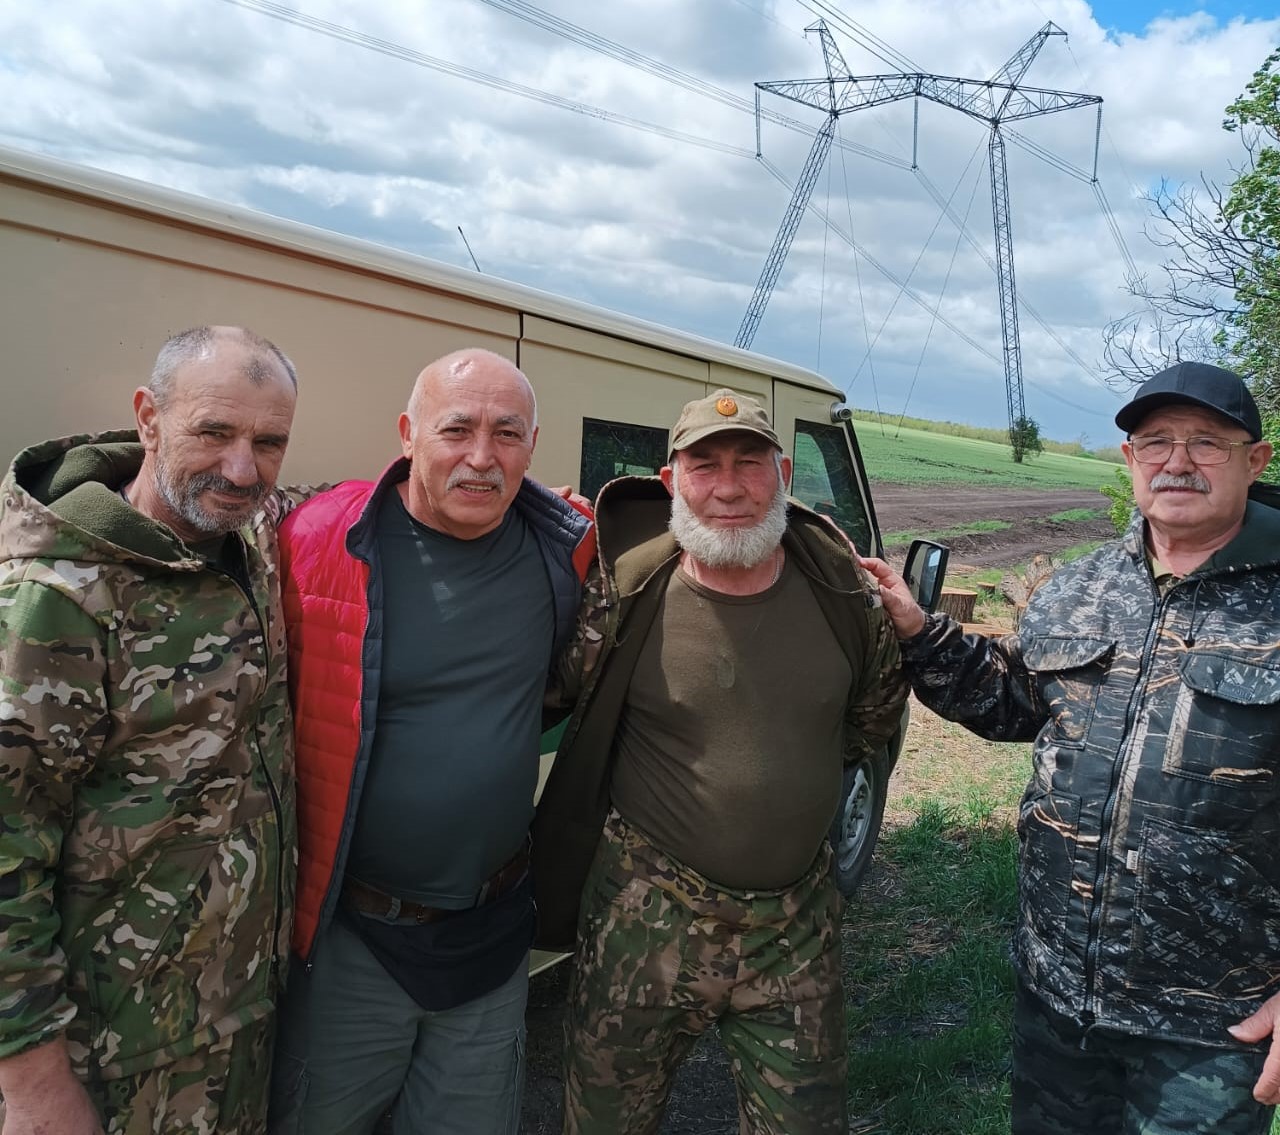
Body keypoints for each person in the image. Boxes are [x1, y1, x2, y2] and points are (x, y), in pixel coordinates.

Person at [859, 361, 1280, 1134]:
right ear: (1129, 459)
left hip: (1211, 1024)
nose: (1177, 461)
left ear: (1255, 460)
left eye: (1206, 442)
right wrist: (918, 629)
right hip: (1057, 1001)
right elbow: (1010, 697)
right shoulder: (1083, 586)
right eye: (1155, 441)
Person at [531, 388, 908, 1135]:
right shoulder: (624, 590)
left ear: (783, 474)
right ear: (671, 480)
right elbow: (546, 688)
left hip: (796, 928)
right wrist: (537, 543)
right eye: (704, 466)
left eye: (749, 464)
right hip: (644, 920)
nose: (729, 488)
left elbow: (873, 713)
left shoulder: (843, 591)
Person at [268, 347, 595, 1135]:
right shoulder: (320, 538)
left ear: (532, 446)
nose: (482, 456)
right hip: (353, 939)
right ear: (408, 433)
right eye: (456, 429)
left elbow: (710, 533)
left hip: (490, 941)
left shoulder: (568, 551)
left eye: (507, 433)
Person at [0, 325, 300, 1135]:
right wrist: (32, 1082)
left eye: (268, 442)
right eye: (214, 431)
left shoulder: (250, 541)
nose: (242, 468)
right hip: (111, 1054)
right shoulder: (57, 593)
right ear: (148, 418)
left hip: (234, 1014)